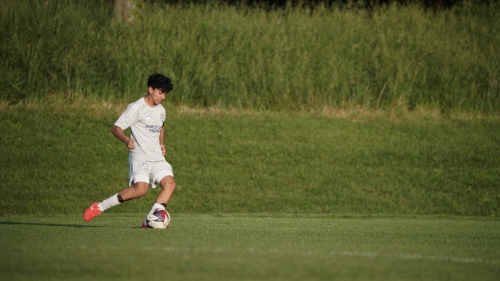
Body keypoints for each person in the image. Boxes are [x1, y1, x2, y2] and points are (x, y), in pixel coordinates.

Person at [84, 73, 176, 227]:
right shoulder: (136, 108)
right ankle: (99, 207)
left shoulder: (161, 110)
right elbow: (116, 128)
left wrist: (161, 143)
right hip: (140, 156)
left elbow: (161, 127)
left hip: (157, 157)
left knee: (170, 184)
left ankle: (150, 221)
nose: (163, 97)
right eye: (160, 92)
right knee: (141, 190)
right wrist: (126, 139)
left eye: (165, 93)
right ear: (150, 89)